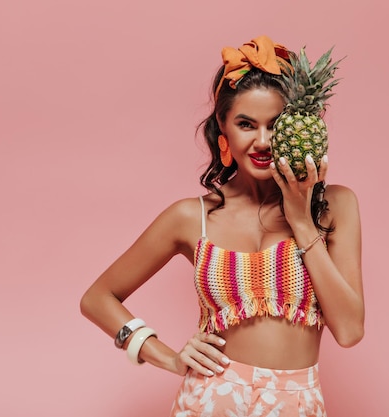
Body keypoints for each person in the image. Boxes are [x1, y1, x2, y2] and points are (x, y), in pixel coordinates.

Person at [80, 35, 365, 417]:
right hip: (209, 400)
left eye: (275, 124)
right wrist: (166, 356)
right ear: (223, 127)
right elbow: (97, 298)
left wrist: (300, 219)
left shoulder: (336, 207)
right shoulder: (191, 217)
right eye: (246, 124)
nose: (262, 141)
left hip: (296, 402)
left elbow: (349, 331)